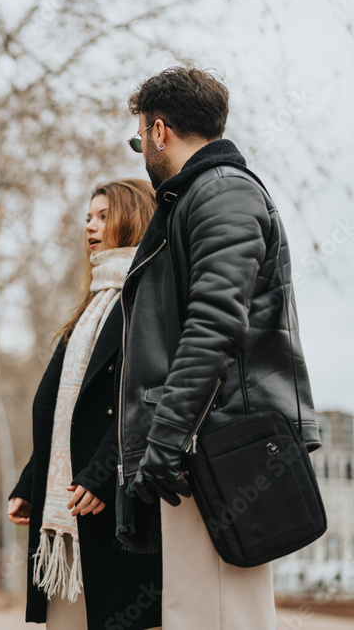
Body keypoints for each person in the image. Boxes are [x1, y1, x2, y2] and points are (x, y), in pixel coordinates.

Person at [118, 67, 320, 629]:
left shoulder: (221, 190)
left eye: (139, 138)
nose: (142, 151)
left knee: (219, 616)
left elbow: (213, 324)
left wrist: (167, 437)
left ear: (159, 131)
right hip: (210, 444)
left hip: (222, 449)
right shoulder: (201, 196)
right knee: (201, 613)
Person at [7, 179, 162, 630]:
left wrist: (101, 473)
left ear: (131, 218)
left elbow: (144, 400)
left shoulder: (147, 296)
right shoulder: (91, 304)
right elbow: (60, 409)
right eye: (88, 217)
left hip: (113, 499)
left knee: (119, 615)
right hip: (68, 507)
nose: (90, 226)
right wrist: (29, 484)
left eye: (102, 216)